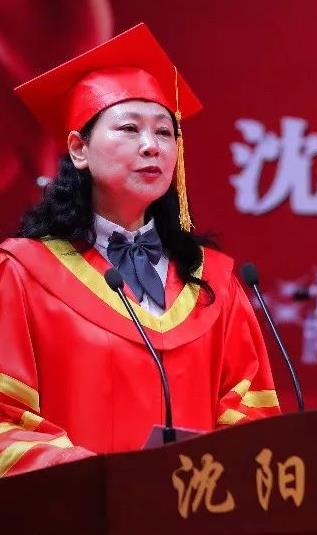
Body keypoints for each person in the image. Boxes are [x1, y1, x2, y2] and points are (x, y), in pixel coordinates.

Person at [0, 23, 280, 478]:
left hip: (197, 507)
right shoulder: (23, 274)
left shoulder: (213, 283)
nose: (151, 146)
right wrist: (99, 481)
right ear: (79, 149)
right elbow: (5, 420)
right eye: (129, 128)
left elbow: (251, 414)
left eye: (165, 132)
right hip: (78, 506)